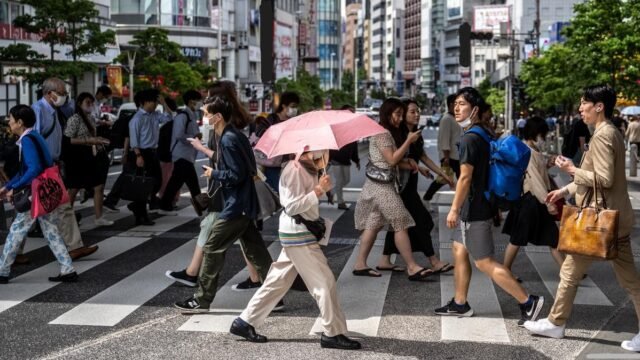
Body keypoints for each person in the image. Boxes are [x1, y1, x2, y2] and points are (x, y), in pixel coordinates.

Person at [524, 85, 640, 352]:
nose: (580, 108)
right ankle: (555, 322)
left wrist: (570, 168)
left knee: (581, 273)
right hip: (610, 219)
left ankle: (555, 323)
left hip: (599, 222)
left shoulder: (603, 135)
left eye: (584, 103)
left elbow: (604, 179)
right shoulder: (608, 132)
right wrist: (564, 189)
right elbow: (593, 176)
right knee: (579, 272)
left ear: (599, 106)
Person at [230, 149, 361, 350]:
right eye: (324, 149)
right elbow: (291, 206)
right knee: (324, 283)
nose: (327, 153)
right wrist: (318, 190)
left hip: (299, 232)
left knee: (277, 282)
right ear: (310, 149)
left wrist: (321, 186)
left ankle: (245, 322)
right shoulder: (294, 168)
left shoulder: (309, 168)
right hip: (298, 234)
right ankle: (332, 333)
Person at [434, 87, 544, 323]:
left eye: (462, 104)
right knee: (458, 249)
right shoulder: (482, 133)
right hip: (479, 204)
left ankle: (528, 301)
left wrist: (454, 208)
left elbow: (465, 177)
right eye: (455, 104)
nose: (456, 107)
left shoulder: (469, 139)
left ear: (474, 109)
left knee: (484, 262)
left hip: (474, 209)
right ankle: (460, 303)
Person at [165, 83, 270, 293]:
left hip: (233, 198)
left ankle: (199, 290)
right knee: (253, 248)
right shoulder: (233, 130)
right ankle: (269, 290)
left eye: (206, 111)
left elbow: (234, 171)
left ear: (218, 113)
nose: (204, 115)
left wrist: (213, 171)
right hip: (238, 199)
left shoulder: (229, 137)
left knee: (213, 243)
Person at [352, 98, 432, 280]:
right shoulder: (382, 133)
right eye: (397, 114)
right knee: (401, 222)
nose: (400, 118)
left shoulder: (386, 132)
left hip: (380, 185)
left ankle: (360, 264)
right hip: (382, 188)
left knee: (373, 225)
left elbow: (389, 162)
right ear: (387, 114)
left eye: (401, 114)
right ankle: (412, 266)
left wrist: (411, 164)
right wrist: (409, 141)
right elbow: (391, 160)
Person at [0, 105, 77, 284]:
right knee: (51, 230)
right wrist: (8, 186)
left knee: (17, 230)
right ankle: (67, 269)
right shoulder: (35, 136)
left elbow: (33, 169)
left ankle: (2, 270)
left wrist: (14, 187)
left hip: (34, 193)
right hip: (46, 191)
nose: (9, 122)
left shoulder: (26, 140)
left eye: (11, 119)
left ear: (19, 122)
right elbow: (35, 167)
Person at [379, 98, 454, 273]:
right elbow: (391, 160)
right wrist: (414, 164)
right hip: (399, 187)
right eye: (412, 111)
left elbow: (424, 157)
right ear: (403, 115)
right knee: (422, 221)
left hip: (409, 185)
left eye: (418, 111)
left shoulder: (416, 135)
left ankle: (384, 259)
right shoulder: (398, 135)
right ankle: (434, 261)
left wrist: (443, 174)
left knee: (399, 225)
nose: (417, 114)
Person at [32, 77, 98, 260]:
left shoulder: (56, 110)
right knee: (28, 213)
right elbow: (33, 140)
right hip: (41, 167)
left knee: (63, 206)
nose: (64, 97)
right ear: (49, 93)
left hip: (51, 166)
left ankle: (74, 246)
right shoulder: (38, 110)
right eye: (61, 94)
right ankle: (12, 255)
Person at [502, 116, 564, 277]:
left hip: (533, 200)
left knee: (552, 238)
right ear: (537, 133)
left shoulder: (530, 150)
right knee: (518, 238)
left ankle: (567, 272)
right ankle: (505, 271)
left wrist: (547, 163)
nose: (543, 138)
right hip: (530, 201)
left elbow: (537, 173)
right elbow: (535, 180)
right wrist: (549, 203)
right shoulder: (527, 151)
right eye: (543, 135)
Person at [63, 92, 113, 226]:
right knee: (73, 188)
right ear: (79, 104)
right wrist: (87, 140)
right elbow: (68, 140)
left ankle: (99, 217)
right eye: (87, 103)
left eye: (92, 103)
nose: (90, 105)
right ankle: (66, 218)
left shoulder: (91, 118)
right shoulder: (74, 119)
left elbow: (93, 135)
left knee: (99, 186)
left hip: (92, 154)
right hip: (77, 157)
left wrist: (97, 141)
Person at [127, 89, 172, 225]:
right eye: (151, 101)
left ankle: (138, 207)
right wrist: (138, 155)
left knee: (156, 182)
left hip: (153, 152)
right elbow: (134, 139)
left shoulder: (155, 115)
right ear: (143, 102)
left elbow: (169, 117)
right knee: (143, 185)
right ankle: (141, 214)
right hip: (142, 152)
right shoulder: (137, 119)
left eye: (155, 101)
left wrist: (164, 103)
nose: (154, 104)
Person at [157, 90, 204, 215]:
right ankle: (202, 209)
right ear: (191, 101)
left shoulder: (191, 115)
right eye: (198, 101)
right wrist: (194, 138)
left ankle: (164, 205)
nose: (200, 103)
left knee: (176, 182)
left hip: (186, 155)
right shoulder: (183, 116)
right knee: (192, 184)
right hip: (181, 155)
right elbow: (178, 135)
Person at [254, 91, 300, 192]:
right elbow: (259, 132)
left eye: (296, 106)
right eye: (292, 106)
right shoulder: (272, 119)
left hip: (288, 164)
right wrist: (277, 136)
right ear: (284, 106)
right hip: (272, 164)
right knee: (276, 191)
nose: (295, 109)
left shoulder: (294, 121)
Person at [423, 94, 461, 205]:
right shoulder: (447, 119)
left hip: (456, 155)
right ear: (451, 105)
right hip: (450, 157)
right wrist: (446, 157)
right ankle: (426, 198)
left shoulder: (454, 118)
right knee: (444, 180)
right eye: (457, 103)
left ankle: (427, 198)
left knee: (444, 180)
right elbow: (445, 139)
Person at [328, 104, 360, 210]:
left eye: (353, 112)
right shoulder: (336, 125)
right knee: (340, 180)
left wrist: (357, 160)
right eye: (349, 111)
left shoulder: (353, 127)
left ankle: (331, 193)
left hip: (346, 159)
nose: (352, 113)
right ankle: (340, 202)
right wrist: (328, 159)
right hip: (336, 158)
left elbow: (354, 146)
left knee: (346, 180)